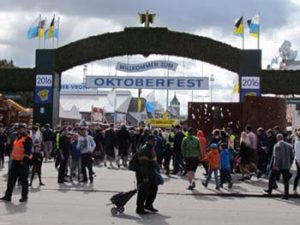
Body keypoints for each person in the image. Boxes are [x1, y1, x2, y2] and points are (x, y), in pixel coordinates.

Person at [0, 123, 32, 202]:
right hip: (15, 161)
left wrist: (23, 161)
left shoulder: (27, 138)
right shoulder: (17, 138)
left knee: (24, 181)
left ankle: (24, 197)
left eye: (19, 129)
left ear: (24, 129)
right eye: (17, 129)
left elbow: (28, 152)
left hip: (23, 163)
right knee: (11, 180)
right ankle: (8, 196)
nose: (18, 130)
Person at [264, 133, 294, 199]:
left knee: (271, 177)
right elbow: (292, 156)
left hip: (278, 166)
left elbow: (277, 157)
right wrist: (290, 163)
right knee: (286, 180)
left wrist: (275, 165)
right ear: (283, 138)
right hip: (286, 165)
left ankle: (269, 191)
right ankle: (286, 195)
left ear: (277, 138)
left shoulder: (276, 145)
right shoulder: (289, 145)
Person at [136, 134, 159, 214]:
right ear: (149, 141)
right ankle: (139, 208)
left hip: (151, 173)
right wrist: (145, 177)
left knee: (153, 189)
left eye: (155, 141)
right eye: (153, 141)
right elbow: (143, 165)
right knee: (143, 191)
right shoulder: (145, 149)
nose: (155, 142)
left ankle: (148, 205)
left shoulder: (150, 148)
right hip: (143, 174)